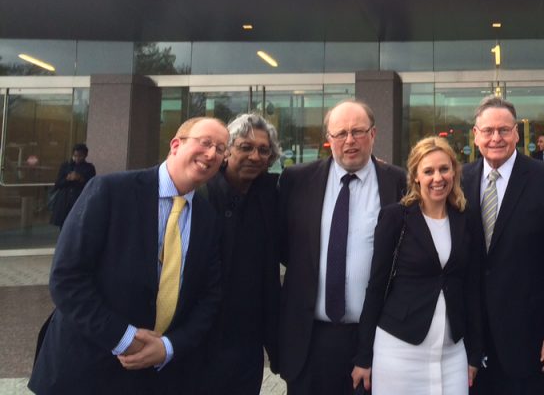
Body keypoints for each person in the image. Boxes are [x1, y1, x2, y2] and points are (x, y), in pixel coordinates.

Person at [29, 118, 226, 394]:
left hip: (158, 376)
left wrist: (169, 347)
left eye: (221, 149)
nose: (212, 153)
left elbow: (209, 296)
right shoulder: (110, 191)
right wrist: (123, 338)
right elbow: (67, 278)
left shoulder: (208, 218)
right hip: (85, 370)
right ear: (175, 144)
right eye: (206, 143)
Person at [277, 100, 406, 395]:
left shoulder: (397, 182)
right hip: (309, 341)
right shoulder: (296, 180)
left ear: (373, 135)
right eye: (341, 133)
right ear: (329, 139)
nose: (350, 140)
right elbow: (285, 247)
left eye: (358, 131)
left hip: (373, 339)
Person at [461, 95, 544, 395]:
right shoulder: (459, 180)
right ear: (475, 135)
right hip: (471, 339)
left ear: (516, 133)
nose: (496, 138)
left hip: (530, 339)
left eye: (504, 130)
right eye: (488, 131)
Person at [352, 136, 482, 394]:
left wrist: (475, 353)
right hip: (400, 350)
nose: (438, 178)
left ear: (454, 172)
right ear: (415, 177)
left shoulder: (465, 218)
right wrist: (363, 357)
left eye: (444, 169)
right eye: (429, 171)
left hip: (452, 352)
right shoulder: (395, 217)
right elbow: (376, 287)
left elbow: (472, 288)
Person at [200, 113, 282, 395]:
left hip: (249, 340)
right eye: (245, 147)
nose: (255, 156)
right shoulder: (201, 195)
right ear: (227, 151)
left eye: (263, 150)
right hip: (202, 338)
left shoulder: (272, 194)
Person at [49, 142, 96, 228]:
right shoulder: (66, 165)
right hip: (65, 200)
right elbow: (58, 184)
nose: (77, 158)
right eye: (75, 156)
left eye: (80, 156)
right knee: (63, 225)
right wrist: (68, 178)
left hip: (79, 199)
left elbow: (91, 185)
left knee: (77, 224)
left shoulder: (89, 168)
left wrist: (80, 178)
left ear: (85, 156)